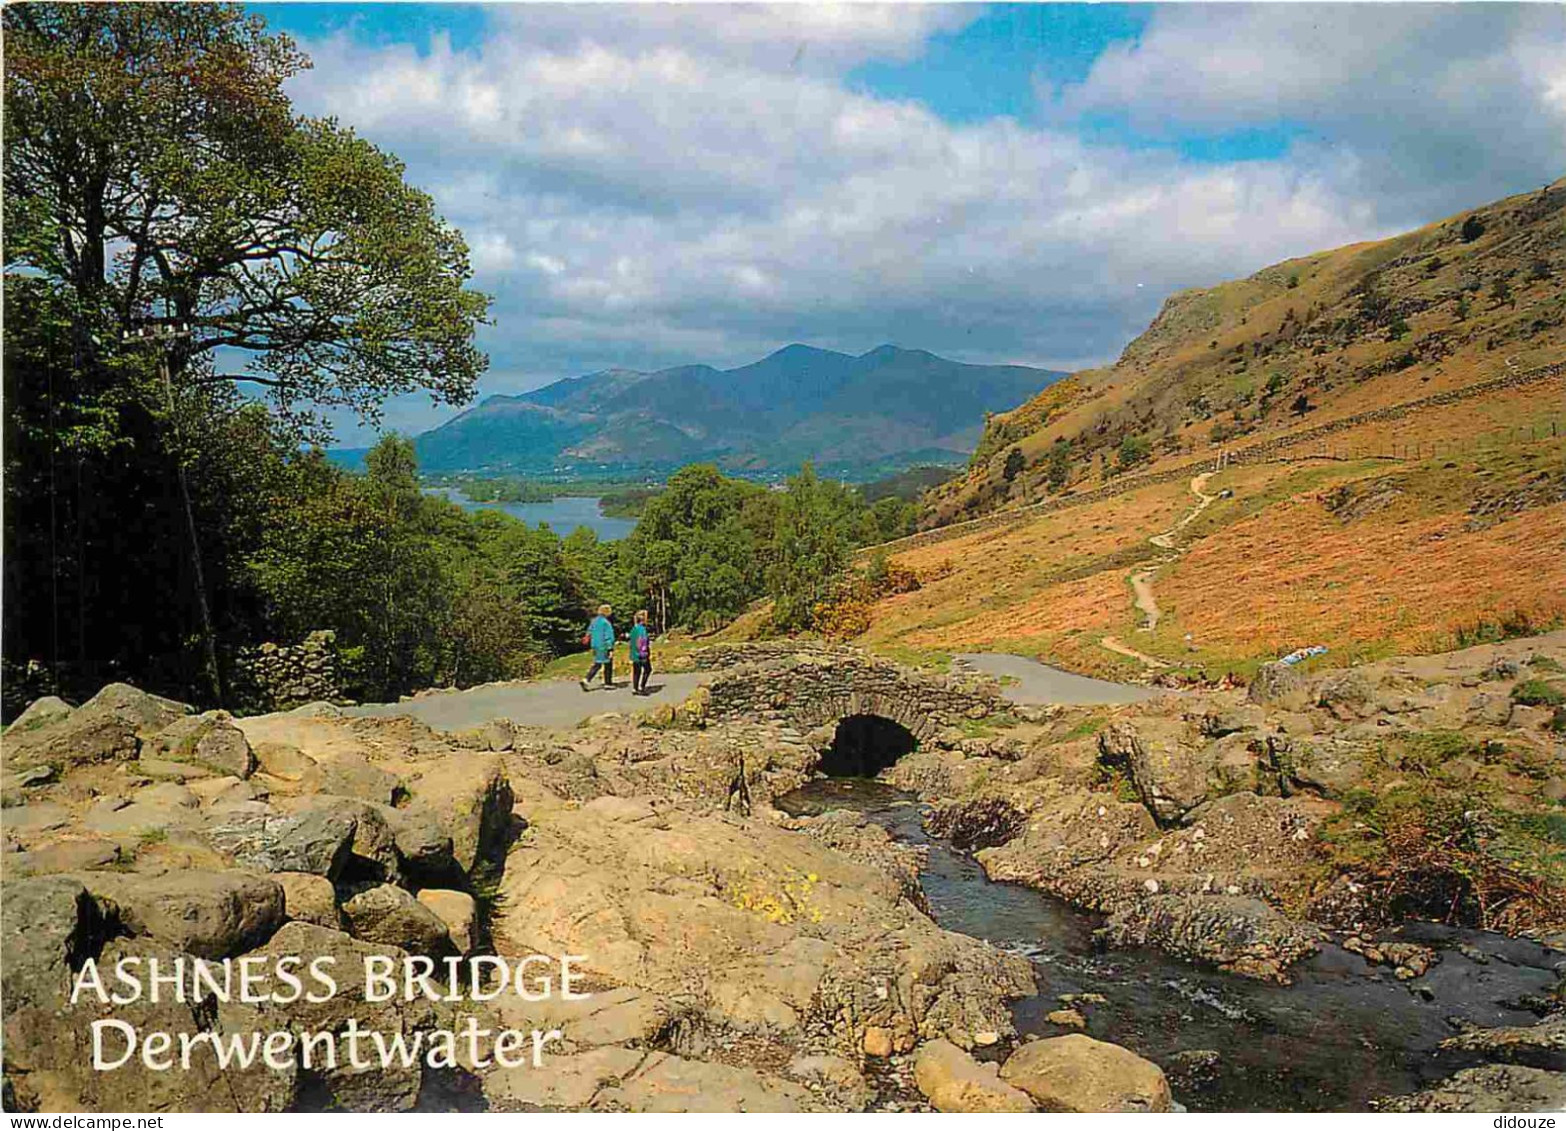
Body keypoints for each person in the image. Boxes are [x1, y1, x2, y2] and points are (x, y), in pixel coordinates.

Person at [580, 604, 617, 690]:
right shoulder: (606, 623)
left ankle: (588, 680)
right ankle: (603, 682)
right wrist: (610, 648)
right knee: (605, 664)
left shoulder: (594, 621)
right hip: (603, 645)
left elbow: (589, 632)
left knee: (598, 662)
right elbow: (609, 636)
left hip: (595, 645)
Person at [628, 609, 653, 695]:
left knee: (636, 671)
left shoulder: (634, 628)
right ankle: (642, 686)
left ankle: (635, 688)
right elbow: (643, 641)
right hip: (642, 654)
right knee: (648, 669)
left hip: (634, 653)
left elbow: (631, 641)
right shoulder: (642, 629)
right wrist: (644, 652)